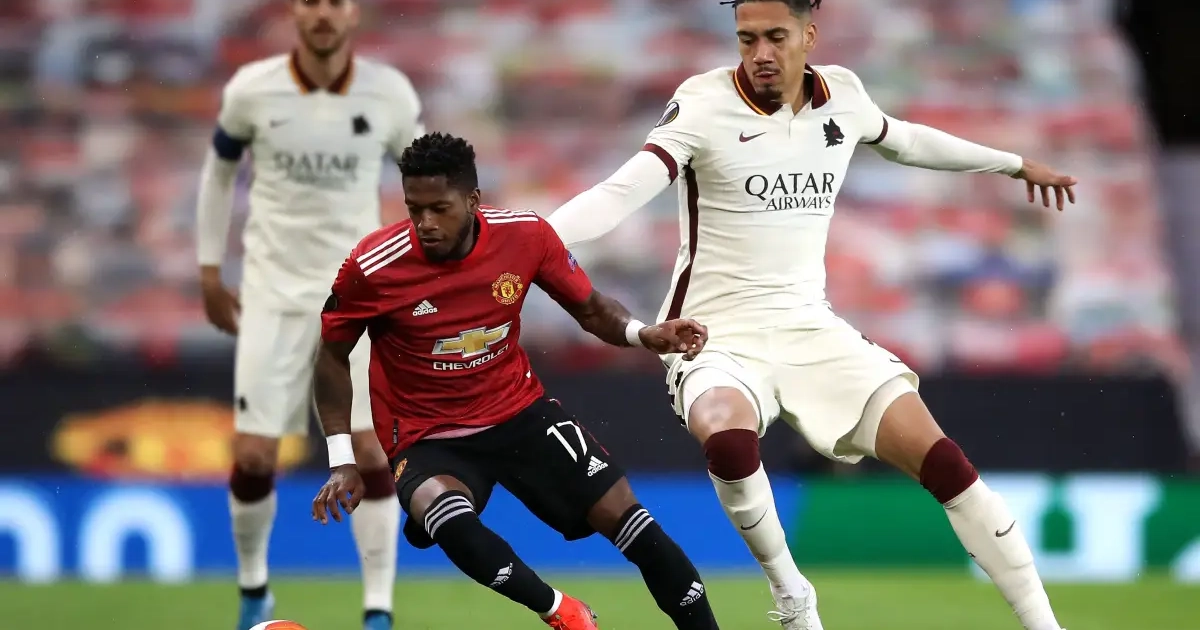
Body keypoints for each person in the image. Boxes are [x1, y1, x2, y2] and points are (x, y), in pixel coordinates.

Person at [545, 1, 1077, 629]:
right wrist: (530, 240)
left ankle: (1045, 624)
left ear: (809, 35)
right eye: (747, 39)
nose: (760, 54)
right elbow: (620, 192)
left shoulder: (843, 96)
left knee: (947, 465)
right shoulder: (703, 102)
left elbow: (907, 141)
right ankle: (792, 593)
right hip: (714, 333)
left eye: (775, 37)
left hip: (811, 327)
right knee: (729, 440)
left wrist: (1013, 163)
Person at [310, 132, 720, 630]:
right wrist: (342, 460)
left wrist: (642, 334)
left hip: (519, 413)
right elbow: (331, 356)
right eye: (414, 209)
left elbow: (591, 309)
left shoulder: (525, 236)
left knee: (633, 522)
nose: (425, 223)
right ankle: (560, 610)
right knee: (446, 517)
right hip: (427, 435)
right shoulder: (372, 266)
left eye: (439, 208)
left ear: (473, 200)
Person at [193, 1, 423, 628]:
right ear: (295, 11)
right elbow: (218, 175)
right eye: (311, 1)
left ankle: (377, 611)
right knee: (253, 456)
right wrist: (210, 271)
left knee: (372, 450)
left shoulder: (389, 94)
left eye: (336, 2)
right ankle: (253, 592)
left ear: (354, 13)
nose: (323, 13)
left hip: (359, 298)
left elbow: (426, 182)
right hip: (271, 296)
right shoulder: (252, 90)